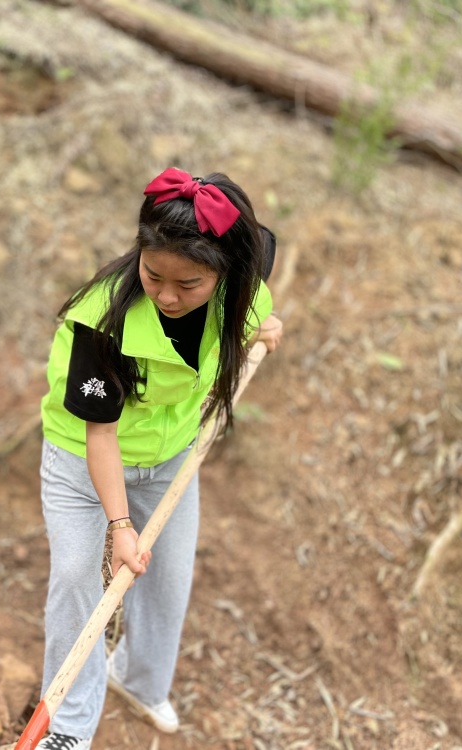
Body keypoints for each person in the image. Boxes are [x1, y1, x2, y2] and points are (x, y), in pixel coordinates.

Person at [35, 168, 283, 750]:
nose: (167, 295)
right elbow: (100, 435)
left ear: (225, 272)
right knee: (77, 578)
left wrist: (260, 325)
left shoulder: (243, 281)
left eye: (189, 284)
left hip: (169, 456)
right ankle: (67, 726)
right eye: (153, 275)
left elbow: (258, 255)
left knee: (169, 579)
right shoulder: (102, 321)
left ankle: (138, 679)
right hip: (83, 455)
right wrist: (119, 527)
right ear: (139, 256)